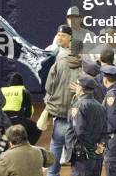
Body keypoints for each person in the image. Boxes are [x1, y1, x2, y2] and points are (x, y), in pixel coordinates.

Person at [45, 38, 83, 176]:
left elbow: (48, 87)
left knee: (56, 145)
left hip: (60, 114)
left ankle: (52, 174)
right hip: (78, 116)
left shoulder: (58, 64)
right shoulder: (86, 67)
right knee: (78, 148)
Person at [64, 74, 106, 176]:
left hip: (83, 156)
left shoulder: (79, 105)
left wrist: (93, 147)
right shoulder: (100, 106)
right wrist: (100, 145)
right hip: (97, 155)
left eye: (77, 84)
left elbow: (80, 132)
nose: (76, 87)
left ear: (82, 89)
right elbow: (105, 129)